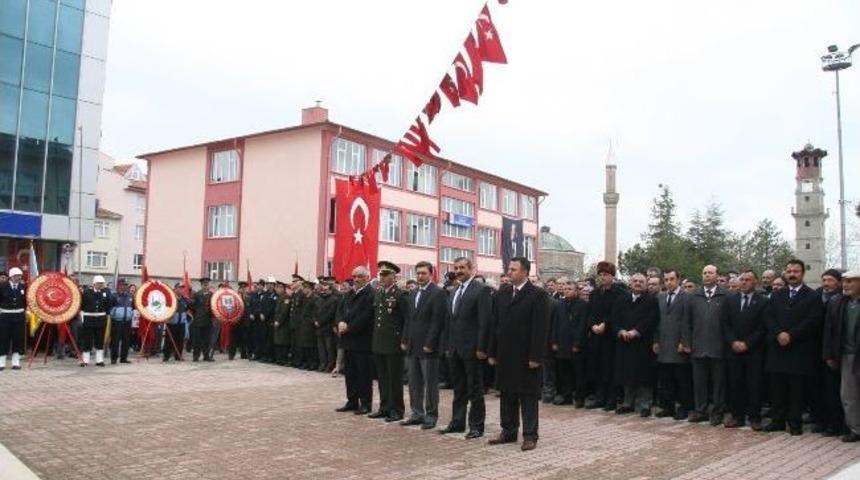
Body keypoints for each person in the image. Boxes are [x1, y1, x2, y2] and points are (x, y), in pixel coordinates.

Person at [487, 257, 549, 451]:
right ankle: (508, 431)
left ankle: (530, 435)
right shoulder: (502, 293)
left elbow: (541, 329)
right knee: (507, 394)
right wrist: (492, 351)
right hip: (505, 355)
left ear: (525, 272)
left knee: (528, 397)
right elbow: (495, 325)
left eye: (513, 269)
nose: (509, 272)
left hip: (526, 356)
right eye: (509, 269)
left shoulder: (537, 295)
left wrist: (535, 357)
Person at [763, 259, 824, 435]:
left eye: (796, 271)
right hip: (778, 349)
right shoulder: (777, 295)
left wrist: (791, 335)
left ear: (802, 273)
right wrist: (778, 333)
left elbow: (813, 321)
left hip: (799, 350)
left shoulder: (813, 296)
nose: (792, 274)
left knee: (796, 390)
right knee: (777, 389)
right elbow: (768, 317)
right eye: (789, 271)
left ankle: (795, 423)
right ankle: (778, 421)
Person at [440, 257, 493, 440]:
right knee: (458, 388)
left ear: (472, 269)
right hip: (454, 349)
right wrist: (447, 345)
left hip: (472, 349)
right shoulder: (453, 291)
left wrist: (481, 347)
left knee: (475, 389)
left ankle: (477, 426)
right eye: (456, 268)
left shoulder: (481, 290)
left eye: (462, 267)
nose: (459, 271)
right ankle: (457, 422)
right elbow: (449, 321)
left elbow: (484, 322)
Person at [400, 261, 447, 429]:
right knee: (414, 382)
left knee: (430, 383)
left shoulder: (438, 293)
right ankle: (417, 413)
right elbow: (408, 319)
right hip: (413, 345)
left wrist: (430, 342)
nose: (420, 276)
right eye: (418, 273)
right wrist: (405, 339)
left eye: (423, 273)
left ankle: (431, 415)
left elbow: (437, 321)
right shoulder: (412, 293)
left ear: (431, 274)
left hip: (429, 347)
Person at [682, 265, 729, 425]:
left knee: (718, 383)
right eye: (704, 273)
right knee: (699, 382)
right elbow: (686, 322)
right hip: (698, 347)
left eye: (710, 273)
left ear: (717, 275)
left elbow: (729, 323)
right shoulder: (693, 296)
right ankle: (700, 410)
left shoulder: (726, 295)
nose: (707, 275)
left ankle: (717, 411)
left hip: (719, 347)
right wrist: (686, 342)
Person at [721, 270, 768, 430]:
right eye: (742, 279)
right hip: (733, 350)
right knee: (735, 384)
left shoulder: (763, 301)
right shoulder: (730, 300)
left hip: (754, 351)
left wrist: (747, 344)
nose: (744, 282)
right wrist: (733, 341)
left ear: (755, 282)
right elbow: (725, 324)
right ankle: (737, 416)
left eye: (748, 280)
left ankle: (754, 417)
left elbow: (763, 327)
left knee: (754, 385)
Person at [612, 273, 660, 417]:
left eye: (641, 281)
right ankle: (628, 403)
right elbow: (615, 318)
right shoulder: (621, 300)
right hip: (624, 343)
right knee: (626, 374)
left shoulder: (651, 301)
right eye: (635, 281)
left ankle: (645, 404)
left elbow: (652, 320)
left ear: (645, 284)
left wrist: (636, 331)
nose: (638, 283)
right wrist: (620, 330)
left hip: (642, 343)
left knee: (643, 375)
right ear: (630, 283)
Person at [823, 270, 860, 442]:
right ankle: (855, 429)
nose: (846, 285)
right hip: (846, 355)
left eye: (851, 281)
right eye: (844, 281)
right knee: (849, 395)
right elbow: (829, 330)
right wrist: (829, 354)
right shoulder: (837, 302)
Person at [369, 261, 409, 422]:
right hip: (379, 342)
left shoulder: (400, 295)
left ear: (394, 276)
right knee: (382, 378)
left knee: (394, 379)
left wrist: (404, 340)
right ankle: (384, 407)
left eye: (386, 275)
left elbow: (407, 320)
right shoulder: (379, 293)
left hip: (394, 343)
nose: (382, 277)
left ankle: (397, 410)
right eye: (381, 274)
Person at [585, 261, 627, 411]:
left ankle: (611, 398)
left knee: (610, 368)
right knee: (597, 366)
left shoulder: (620, 293)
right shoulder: (595, 293)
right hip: (596, 336)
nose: (602, 277)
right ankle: (599, 396)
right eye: (600, 275)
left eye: (606, 274)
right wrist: (593, 325)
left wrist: (605, 324)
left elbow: (617, 313)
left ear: (612, 276)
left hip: (611, 337)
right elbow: (589, 313)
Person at [653, 269, 693, 420]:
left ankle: (684, 408)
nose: (669, 282)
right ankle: (667, 407)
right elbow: (656, 321)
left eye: (672, 279)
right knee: (665, 379)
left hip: (679, 345)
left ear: (678, 279)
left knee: (682, 380)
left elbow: (687, 322)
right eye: (666, 280)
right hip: (664, 344)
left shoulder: (687, 297)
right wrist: (655, 341)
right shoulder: (660, 297)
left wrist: (684, 341)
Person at [335, 266, 376, 415]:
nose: (356, 279)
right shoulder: (350, 293)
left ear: (367, 277)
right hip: (348, 340)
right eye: (354, 276)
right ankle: (352, 401)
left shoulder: (370, 294)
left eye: (359, 276)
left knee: (363, 374)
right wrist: (340, 322)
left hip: (362, 340)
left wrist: (349, 327)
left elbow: (366, 316)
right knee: (350, 373)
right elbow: (340, 309)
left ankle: (365, 403)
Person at [815, 268, 846, 436]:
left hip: (835, 352)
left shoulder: (843, 300)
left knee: (836, 391)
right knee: (822, 390)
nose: (826, 284)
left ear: (839, 282)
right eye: (824, 280)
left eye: (830, 280)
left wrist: (831, 354)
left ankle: (838, 424)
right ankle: (824, 421)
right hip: (817, 350)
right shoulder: (817, 296)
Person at [551, 280, 589, 407]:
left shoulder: (582, 305)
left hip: (575, 345)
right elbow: (555, 324)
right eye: (565, 288)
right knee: (564, 372)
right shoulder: (559, 305)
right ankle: (566, 396)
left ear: (577, 291)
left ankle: (579, 398)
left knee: (578, 373)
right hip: (561, 344)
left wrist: (577, 343)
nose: (567, 290)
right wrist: (554, 341)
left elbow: (582, 326)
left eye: (570, 289)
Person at [79, 275, 114, 367]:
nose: (100, 285)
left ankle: (99, 360)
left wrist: (107, 293)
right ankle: (85, 360)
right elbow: (82, 305)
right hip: (89, 319)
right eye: (98, 283)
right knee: (87, 340)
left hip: (101, 319)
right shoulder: (86, 293)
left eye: (102, 284)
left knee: (100, 339)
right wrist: (83, 317)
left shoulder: (106, 292)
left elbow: (108, 305)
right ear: (94, 283)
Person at [0, 267, 27, 370]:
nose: (19, 278)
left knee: (18, 339)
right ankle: (1, 362)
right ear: (11, 276)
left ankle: (16, 362)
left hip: (19, 316)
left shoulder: (23, 287)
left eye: (20, 276)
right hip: (5, 316)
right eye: (16, 276)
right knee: (3, 338)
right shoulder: (2, 287)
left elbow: (26, 301)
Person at [315, 278, 339, 372]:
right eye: (322, 290)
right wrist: (315, 320)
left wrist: (320, 322)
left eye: (326, 290)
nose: (324, 291)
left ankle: (330, 364)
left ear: (330, 290)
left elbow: (330, 314)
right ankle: (322, 363)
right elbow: (314, 312)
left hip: (327, 328)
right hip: (319, 328)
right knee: (321, 348)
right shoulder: (319, 299)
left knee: (329, 348)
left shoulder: (333, 300)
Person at [109, 280, 135, 364]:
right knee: (115, 341)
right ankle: (114, 358)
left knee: (126, 340)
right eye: (122, 285)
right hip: (117, 321)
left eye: (126, 285)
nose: (124, 286)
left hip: (127, 321)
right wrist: (115, 313)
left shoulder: (130, 296)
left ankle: (124, 358)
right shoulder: (114, 296)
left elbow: (133, 307)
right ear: (119, 286)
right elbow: (109, 307)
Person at [164, 283, 190, 361]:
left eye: (182, 288)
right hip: (172, 322)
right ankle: (166, 356)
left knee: (180, 340)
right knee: (169, 340)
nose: (181, 290)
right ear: (175, 289)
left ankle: (178, 356)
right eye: (179, 288)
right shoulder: (171, 298)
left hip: (181, 322)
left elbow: (186, 309)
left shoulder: (184, 299)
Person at [191, 277, 214, 362]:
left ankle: (206, 355)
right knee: (197, 340)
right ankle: (196, 356)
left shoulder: (212, 295)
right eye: (204, 285)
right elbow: (193, 307)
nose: (205, 286)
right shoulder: (197, 294)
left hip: (208, 320)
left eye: (207, 284)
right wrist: (196, 315)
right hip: (198, 320)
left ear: (209, 285)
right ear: (201, 285)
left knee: (207, 340)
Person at [272, 281, 291, 365]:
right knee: (278, 342)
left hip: (283, 324)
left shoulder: (286, 297)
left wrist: (279, 321)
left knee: (283, 342)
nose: (277, 289)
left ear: (283, 288)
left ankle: (283, 359)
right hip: (277, 323)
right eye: (277, 287)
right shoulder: (279, 297)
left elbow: (284, 311)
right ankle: (279, 359)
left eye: (279, 287)